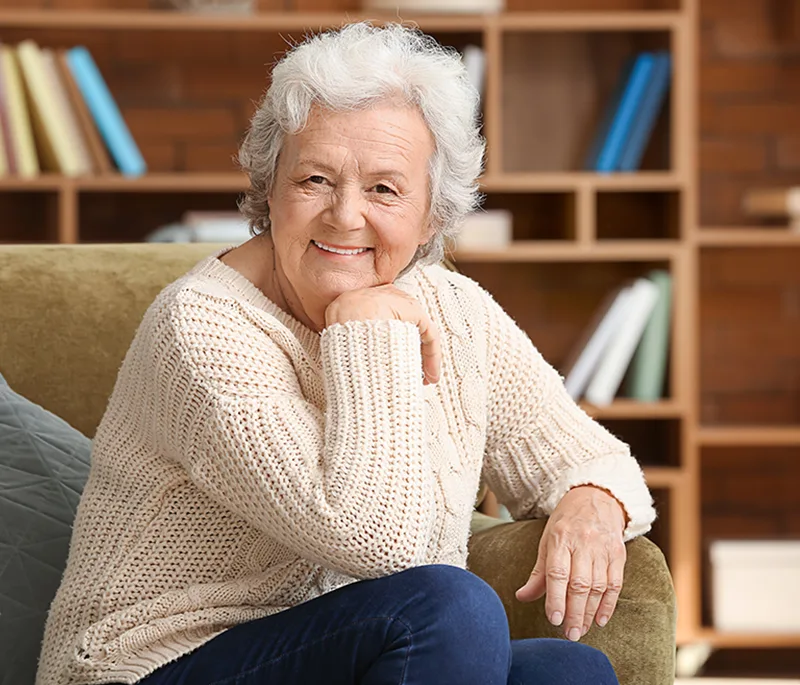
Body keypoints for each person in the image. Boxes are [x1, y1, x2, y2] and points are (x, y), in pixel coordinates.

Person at [37, 22, 656, 685]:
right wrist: (367, 329)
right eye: (315, 179)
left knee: (569, 671)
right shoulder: (200, 328)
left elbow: (594, 456)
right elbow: (381, 544)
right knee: (453, 605)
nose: (344, 214)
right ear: (270, 189)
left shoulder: (456, 308)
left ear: (433, 216)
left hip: (335, 653)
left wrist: (592, 501)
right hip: (151, 666)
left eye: (385, 189)